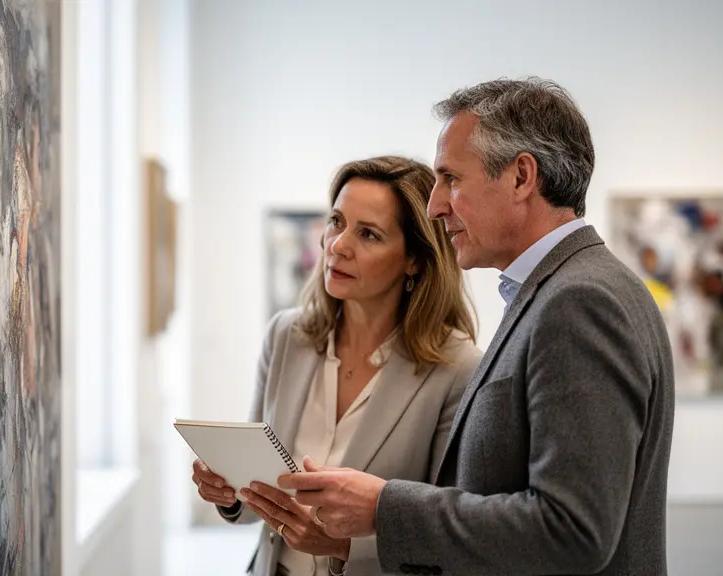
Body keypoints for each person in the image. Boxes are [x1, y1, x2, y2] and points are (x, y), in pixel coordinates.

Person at [279, 77, 676, 576]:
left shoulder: (579, 302)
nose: (435, 205)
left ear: (521, 177)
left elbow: (573, 531)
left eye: (451, 178)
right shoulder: (561, 290)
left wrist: (384, 508)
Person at [192, 156, 482, 576]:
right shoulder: (286, 336)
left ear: (415, 259)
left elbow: (447, 533)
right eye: (336, 222)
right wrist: (230, 492)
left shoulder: (457, 369)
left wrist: (343, 546)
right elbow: (255, 493)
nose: (338, 245)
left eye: (368, 234)